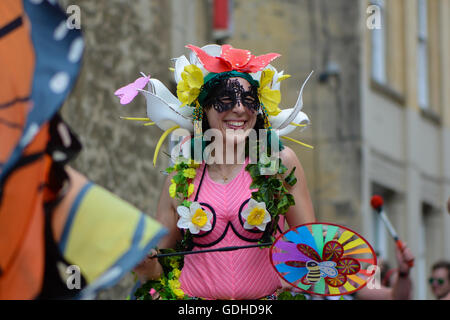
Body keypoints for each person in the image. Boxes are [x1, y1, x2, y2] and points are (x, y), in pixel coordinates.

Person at [128, 44, 316, 300]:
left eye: (249, 100)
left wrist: (298, 272)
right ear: (203, 110)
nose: (239, 108)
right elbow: (158, 268)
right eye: (225, 100)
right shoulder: (182, 176)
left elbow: (312, 250)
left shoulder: (281, 163)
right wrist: (144, 263)